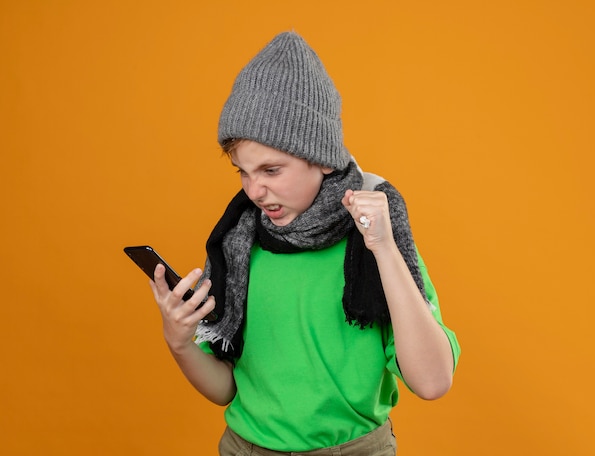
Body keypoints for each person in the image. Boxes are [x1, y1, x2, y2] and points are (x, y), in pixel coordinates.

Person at [149, 31, 460, 455]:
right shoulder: (237, 243)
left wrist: (384, 249)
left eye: (272, 170)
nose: (254, 191)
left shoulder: (375, 242)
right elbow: (224, 389)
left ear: (322, 157)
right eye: (243, 172)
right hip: (245, 448)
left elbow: (432, 381)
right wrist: (179, 341)